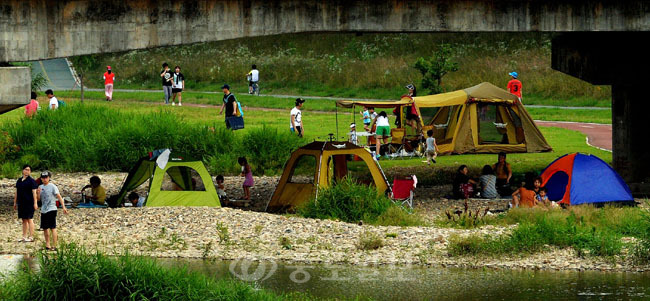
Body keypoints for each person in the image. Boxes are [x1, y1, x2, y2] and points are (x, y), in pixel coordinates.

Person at [36, 171, 68, 251]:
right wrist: (38, 193)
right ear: (41, 179)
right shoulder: (40, 186)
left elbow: (59, 196)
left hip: (52, 208)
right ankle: (48, 244)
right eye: (43, 178)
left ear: (49, 178)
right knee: (45, 228)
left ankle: (55, 245)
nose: (45, 179)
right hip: (44, 209)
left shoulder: (53, 186)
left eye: (46, 177)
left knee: (53, 227)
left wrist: (63, 206)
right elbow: (38, 199)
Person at [14, 165, 38, 242]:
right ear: (23, 170)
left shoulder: (32, 181)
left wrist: (35, 203)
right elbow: (16, 192)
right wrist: (15, 202)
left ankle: (31, 236)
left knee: (30, 219)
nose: (27, 171)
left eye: (29, 170)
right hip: (21, 202)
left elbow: (34, 193)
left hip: (29, 202)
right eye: (26, 169)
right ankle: (24, 236)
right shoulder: (19, 180)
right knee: (24, 219)